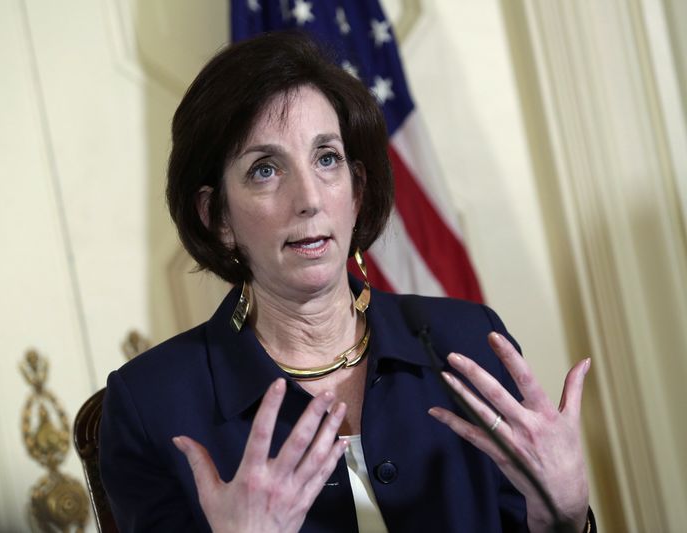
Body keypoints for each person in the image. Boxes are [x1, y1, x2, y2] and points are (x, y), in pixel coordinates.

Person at [99, 31, 593, 533]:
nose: (309, 197)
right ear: (217, 217)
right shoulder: (151, 406)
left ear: (356, 192)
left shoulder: (468, 343)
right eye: (265, 169)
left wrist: (567, 520)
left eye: (327, 158)